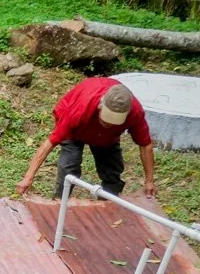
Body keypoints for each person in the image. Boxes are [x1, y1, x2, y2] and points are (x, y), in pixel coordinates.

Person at [15, 77, 156, 200]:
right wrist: (28, 177)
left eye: (113, 122)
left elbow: (145, 145)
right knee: (68, 167)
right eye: (106, 120)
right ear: (100, 106)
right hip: (76, 130)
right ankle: (58, 204)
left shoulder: (135, 112)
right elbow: (50, 142)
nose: (107, 124)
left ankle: (108, 206)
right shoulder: (81, 107)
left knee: (112, 171)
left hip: (106, 139)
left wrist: (150, 181)